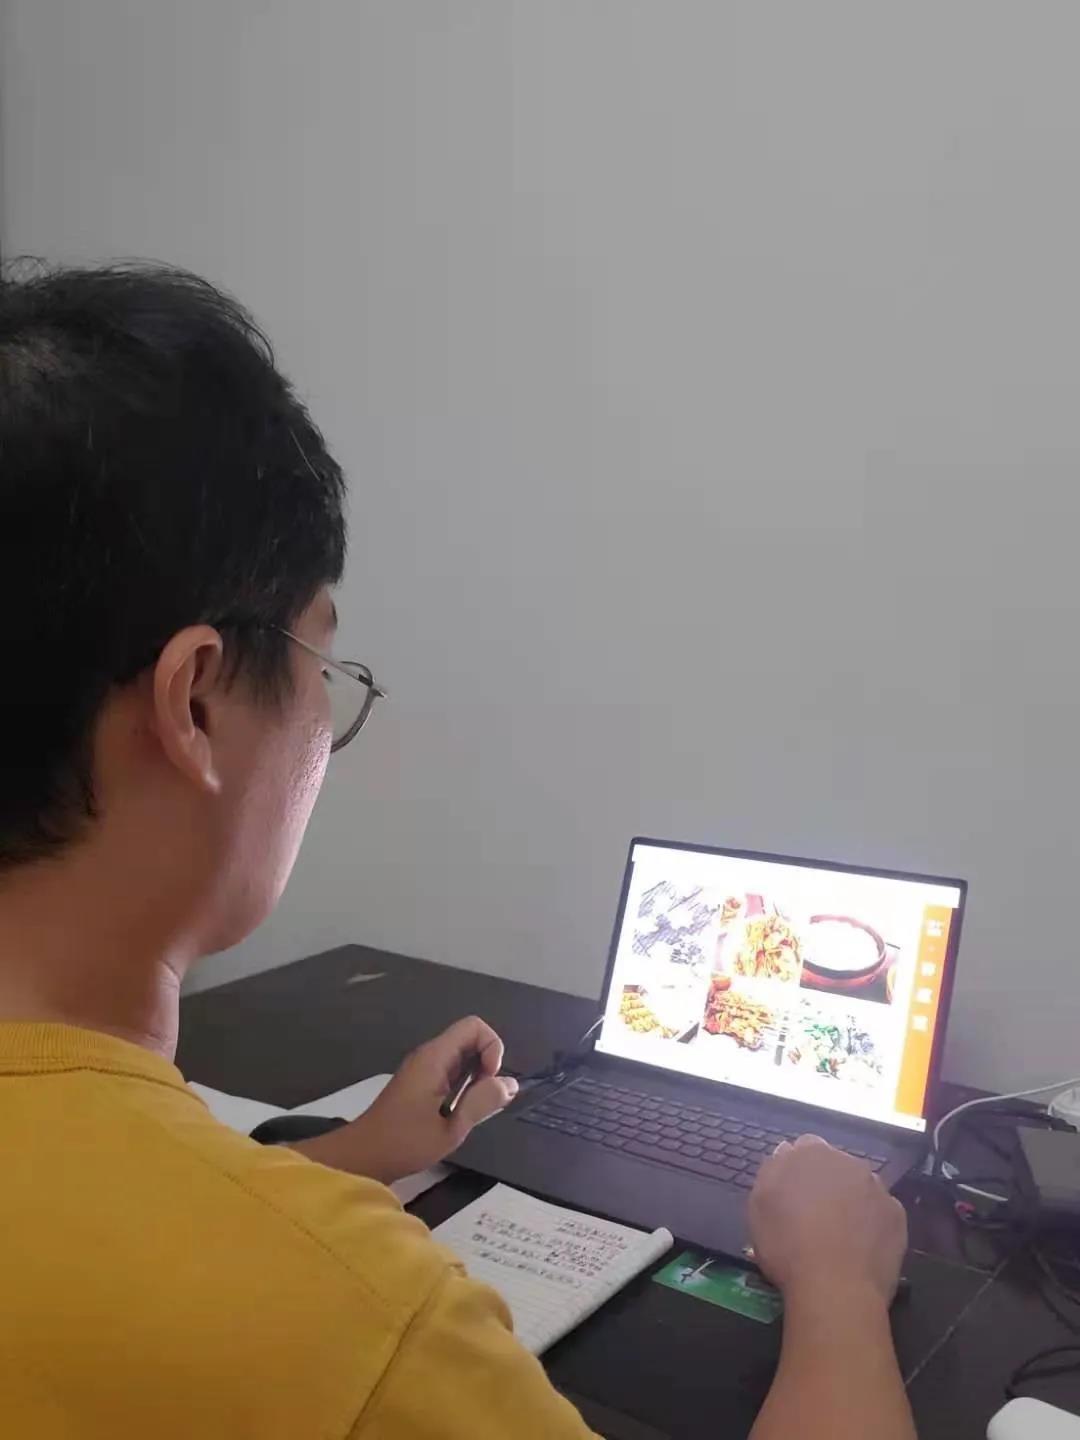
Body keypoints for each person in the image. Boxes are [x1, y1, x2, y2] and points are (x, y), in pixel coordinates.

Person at [0, 262, 915, 1439]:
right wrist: (838, 1283)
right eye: (325, 667)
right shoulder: (360, 1323)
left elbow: (113, 1219)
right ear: (197, 704)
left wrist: (357, 1153)